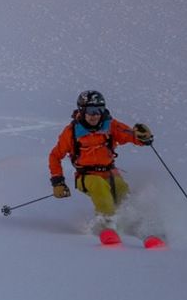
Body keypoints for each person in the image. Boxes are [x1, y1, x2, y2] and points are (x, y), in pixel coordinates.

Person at [49, 90, 153, 234]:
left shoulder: (110, 125)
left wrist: (143, 138)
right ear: (82, 110)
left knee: (123, 191)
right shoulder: (71, 132)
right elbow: (55, 156)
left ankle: (135, 227)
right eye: (91, 110)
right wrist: (58, 182)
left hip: (110, 172)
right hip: (86, 176)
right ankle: (106, 227)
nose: (95, 115)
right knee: (100, 188)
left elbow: (129, 135)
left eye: (99, 110)